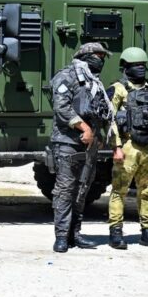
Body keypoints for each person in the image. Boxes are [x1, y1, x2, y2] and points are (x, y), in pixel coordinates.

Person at [49, 42, 115, 253]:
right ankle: (61, 237)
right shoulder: (66, 76)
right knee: (65, 190)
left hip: (90, 144)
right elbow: (62, 107)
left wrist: (99, 134)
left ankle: (74, 234)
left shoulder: (93, 82)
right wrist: (84, 127)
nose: (101, 61)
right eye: (98, 56)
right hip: (68, 142)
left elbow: (99, 110)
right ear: (86, 56)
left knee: (82, 188)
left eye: (103, 57)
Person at [106, 47, 148, 250]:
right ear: (125, 67)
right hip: (128, 147)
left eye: (143, 65)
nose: (140, 68)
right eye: (135, 65)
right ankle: (116, 232)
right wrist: (116, 147)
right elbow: (109, 119)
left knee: (147, 191)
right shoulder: (118, 89)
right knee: (119, 190)